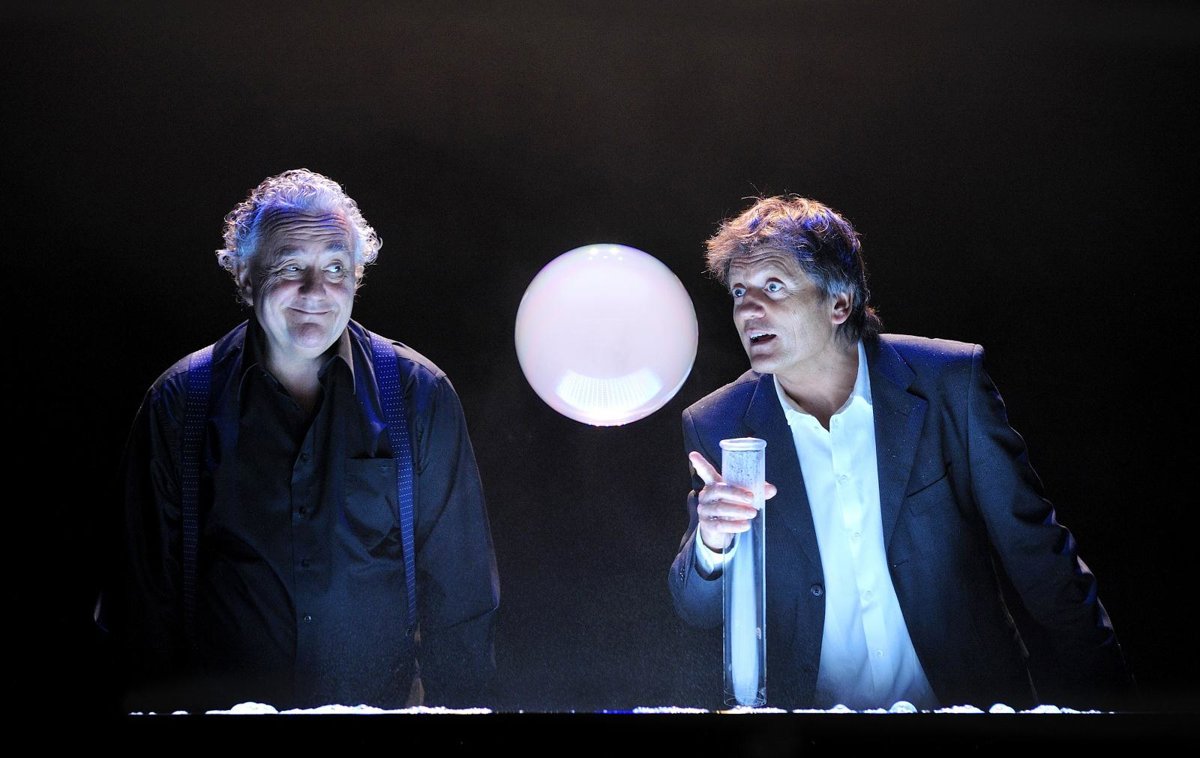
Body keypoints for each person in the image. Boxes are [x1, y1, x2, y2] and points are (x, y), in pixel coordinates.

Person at [668, 195, 1133, 711]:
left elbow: (1040, 558)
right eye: (739, 291)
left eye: (773, 286)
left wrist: (1114, 707)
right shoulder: (718, 424)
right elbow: (695, 608)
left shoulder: (949, 383)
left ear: (839, 302)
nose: (748, 309)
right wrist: (710, 542)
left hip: (968, 710)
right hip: (811, 723)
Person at [98, 169, 499, 712]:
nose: (316, 291)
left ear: (356, 277)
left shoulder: (417, 395)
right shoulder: (178, 402)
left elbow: (462, 603)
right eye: (291, 267)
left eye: (335, 268)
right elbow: (138, 611)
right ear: (245, 276)